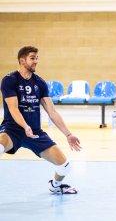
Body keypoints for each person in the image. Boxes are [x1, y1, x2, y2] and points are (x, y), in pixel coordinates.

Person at [0, 46, 82, 194]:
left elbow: (52, 111)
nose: (36, 61)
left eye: (37, 58)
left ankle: (55, 186)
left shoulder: (40, 83)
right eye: (32, 58)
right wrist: (25, 126)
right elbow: (13, 108)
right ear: (22, 60)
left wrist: (68, 134)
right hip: (13, 130)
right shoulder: (9, 80)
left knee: (65, 165)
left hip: (35, 132)